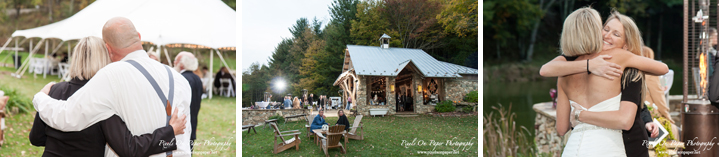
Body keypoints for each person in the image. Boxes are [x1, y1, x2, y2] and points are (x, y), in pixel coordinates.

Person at [32, 17, 193, 157]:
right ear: (138, 37)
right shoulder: (179, 80)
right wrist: (170, 133)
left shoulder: (111, 76)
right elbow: (185, 135)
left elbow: (67, 116)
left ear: (108, 49)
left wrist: (40, 98)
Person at [539, 9, 666, 155]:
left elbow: (561, 129)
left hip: (573, 149)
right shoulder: (618, 57)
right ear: (596, 31)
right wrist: (590, 65)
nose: (607, 35)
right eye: (605, 29)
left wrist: (579, 116)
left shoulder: (563, 73)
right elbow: (663, 68)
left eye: (616, 34)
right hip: (607, 147)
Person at [173, 51, 203, 152]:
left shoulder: (181, 78)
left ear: (181, 64)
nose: (174, 62)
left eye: (176, 60)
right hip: (192, 120)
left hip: (181, 123)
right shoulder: (197, 78)